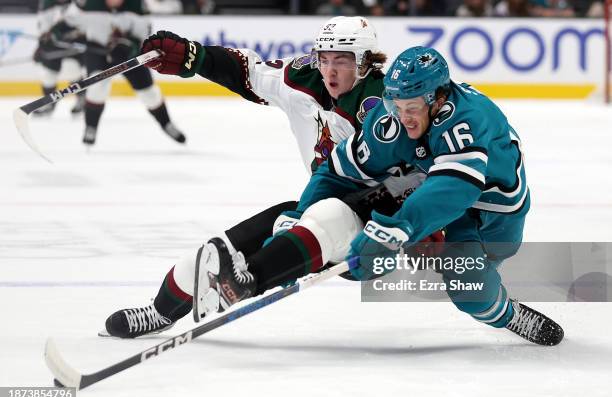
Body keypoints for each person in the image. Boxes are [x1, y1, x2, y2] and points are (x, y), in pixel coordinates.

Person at [186, 46, 564, 346]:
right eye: (396, 107)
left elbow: (456, 189)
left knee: (468, 289)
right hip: (427, 188)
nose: (403, 119)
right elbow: (336, 172)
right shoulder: (393, 119)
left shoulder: (468, 119)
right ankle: (257, 273)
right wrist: (302, 214)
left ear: (438, 100)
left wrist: (399, 228)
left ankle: (508, 313)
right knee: (340, 222)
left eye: (412, 109)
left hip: (490, 212)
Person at [103, 16, 436, 338]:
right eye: (325, 58)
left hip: (375, 228)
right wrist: (194, 57)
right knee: (216, 252)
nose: (330, 70)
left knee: (326, 214)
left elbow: (426, 168)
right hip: (318, 204)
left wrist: (424, 222)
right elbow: (249, 72)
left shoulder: (390, 104)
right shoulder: (304, 78)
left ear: (365, 62)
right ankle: (161, 311)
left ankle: (246, 283)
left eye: (343, 61)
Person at [66, 0, 186, 145]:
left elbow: (144, 38)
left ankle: (166, 123)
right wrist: (56, 34)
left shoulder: (138, 6)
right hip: (97, 52)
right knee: (96, 89)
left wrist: (130, 46)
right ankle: (91, 127)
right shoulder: (87, 4)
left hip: (128, 56)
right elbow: (68, 23)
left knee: (150, 93)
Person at [33, 0, 86, 116]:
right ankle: (49, 103)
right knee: (48, 74)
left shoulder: (78, 4)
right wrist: (42, 45)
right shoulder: (46, 5)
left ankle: (81, 98)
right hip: (53, 47)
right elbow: (44, 28)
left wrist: (71, 35)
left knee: (71, 69)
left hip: (73, 47)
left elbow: (83, 24)